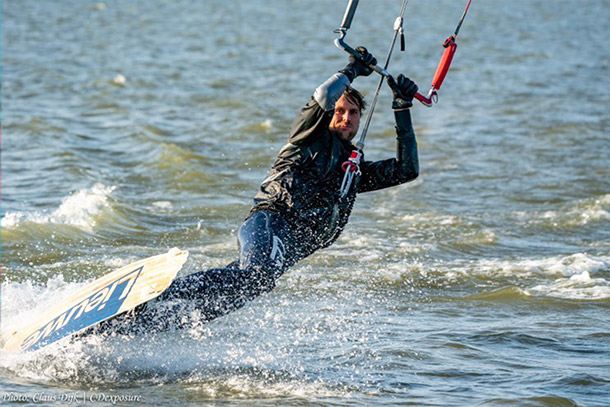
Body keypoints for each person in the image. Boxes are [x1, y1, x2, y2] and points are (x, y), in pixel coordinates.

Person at [121, 47, 420, 331]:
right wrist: (353, 69)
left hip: (287, 249)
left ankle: (149, 324)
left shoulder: (351, 171)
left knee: (240, 291)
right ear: (328, 115)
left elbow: (406, 170)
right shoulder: (308, 135)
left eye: (353, 112)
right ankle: (150, 296)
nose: (346, 118)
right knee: (254, 278)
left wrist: (402, 107)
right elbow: (322, 96)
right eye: (340, 111)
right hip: (270, 221)